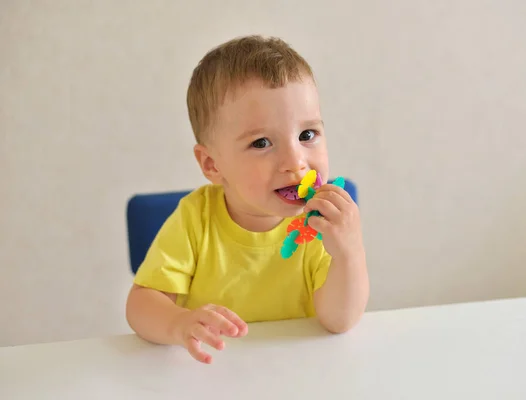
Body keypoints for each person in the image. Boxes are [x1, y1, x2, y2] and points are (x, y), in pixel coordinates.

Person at [125, 35, 369, 364]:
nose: (295, 162)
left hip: (300, 369)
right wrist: (178, 324)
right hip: (214, 372)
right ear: (213, 164)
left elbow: (339, 321)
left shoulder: (316, 223)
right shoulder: (195, 219)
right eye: (262, 143)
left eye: (306, 135)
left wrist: (349, 253)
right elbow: (141, 305)